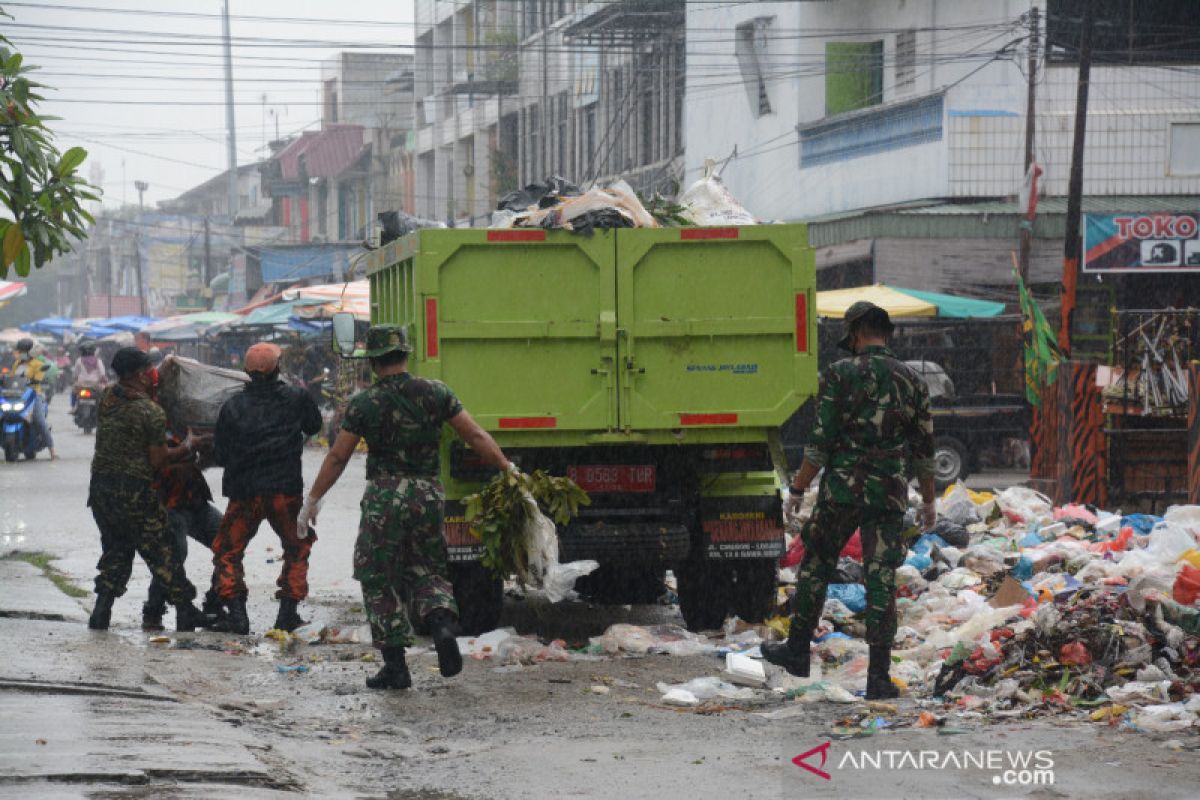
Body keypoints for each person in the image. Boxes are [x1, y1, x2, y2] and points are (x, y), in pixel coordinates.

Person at [298, 325, 513, 691]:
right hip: (429, 493)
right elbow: (475, 436)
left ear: (373, 362)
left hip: (385, 496)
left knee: (377, 575)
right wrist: (508, 469)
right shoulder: (437, 393)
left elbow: (338, 456)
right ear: (405, 355)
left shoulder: (364, 404)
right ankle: (442, 623)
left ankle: (396, 666)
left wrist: (313, 499)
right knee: (429, 568)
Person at [762, 301, 936, 700]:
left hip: (842, 491)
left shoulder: (839, 375)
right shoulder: (913, 381)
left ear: (856, 333)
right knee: (881, 578)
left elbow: (820, 443)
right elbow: (924, 452)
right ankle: (878, 678)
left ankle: (797, 652)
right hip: (888, 494)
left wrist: (797, 489)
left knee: (817, 564)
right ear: (885, 333)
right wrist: (928, 503)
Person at [87, 347, 213, 632]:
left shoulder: (106, 397)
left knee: (116, 552)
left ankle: (100, 613)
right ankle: (185, 611)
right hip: (133, 493)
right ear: (138, 375)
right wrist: (187, 446)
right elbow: (158, 460)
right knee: (164, 553)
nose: (151, 374)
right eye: (148, 369)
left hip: (101, 491)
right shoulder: (150, 412)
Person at [210, 342, 322, 635]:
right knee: (297, 548)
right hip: (285, 491)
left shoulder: (232, 406)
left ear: (245, 372)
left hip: (244, 492)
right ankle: (287, 614)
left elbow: (219, 454)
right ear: (278, 370)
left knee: (227, 552)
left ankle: (237, 616)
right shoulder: (297, 397)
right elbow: (314, 426)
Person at [142, 430, 225, 631]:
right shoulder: (151, 419)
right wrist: (189, 445)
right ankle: (155, 611)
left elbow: (202, 462)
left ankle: (214, 603)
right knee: (175, 554)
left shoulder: (189, 426)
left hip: (194, 499)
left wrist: (207, 448)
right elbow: (156, 460)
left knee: (228, 542)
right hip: (166, 502)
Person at [11, 338, 56, 459]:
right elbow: (11, 378)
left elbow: (39, 377)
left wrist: (35, 380)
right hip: (18, 397)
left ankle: (52, 450)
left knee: (40, 421)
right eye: (20, 351)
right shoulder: (17, 364)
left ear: (30, 351)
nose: (21, 353)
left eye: (23, 351)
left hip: (34, 395)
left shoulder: (38, 364)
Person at [73, 342, 108, 410]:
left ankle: (73, 407)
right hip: (95, 385)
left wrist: (75, 379)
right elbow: (102, 373)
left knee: (73, 392)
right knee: (104, 394)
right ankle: (102, 408)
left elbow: (75, 374)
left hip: (81, 384)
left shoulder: (79, 360)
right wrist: (104, 380)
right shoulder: (98, 361)